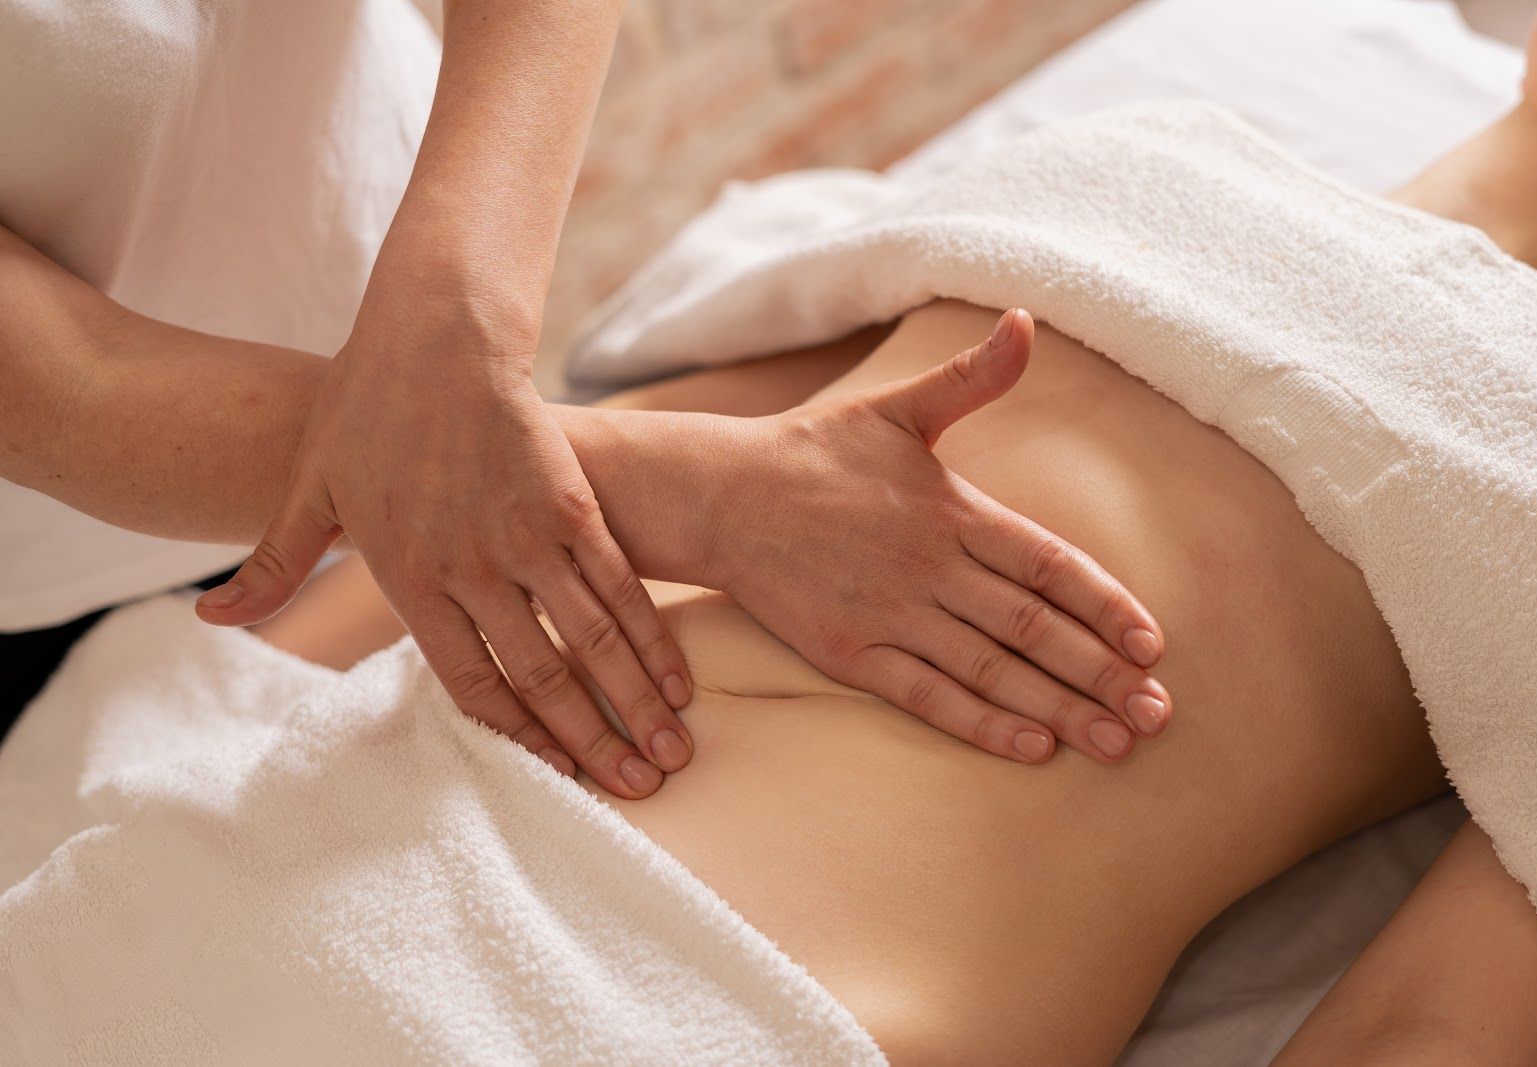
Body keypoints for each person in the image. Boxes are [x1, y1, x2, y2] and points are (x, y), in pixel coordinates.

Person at [5, 3, 1537, 1057]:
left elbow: (1439, 1015)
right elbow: (726, 415)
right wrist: (232, 701)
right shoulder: (1165, 169)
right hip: (303, 877)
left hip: (722, 1008)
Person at [0, 0, 1168, 794]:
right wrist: (700, 495)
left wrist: (455, 303)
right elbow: (68, 387)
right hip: (53, 546)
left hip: (389, 327)